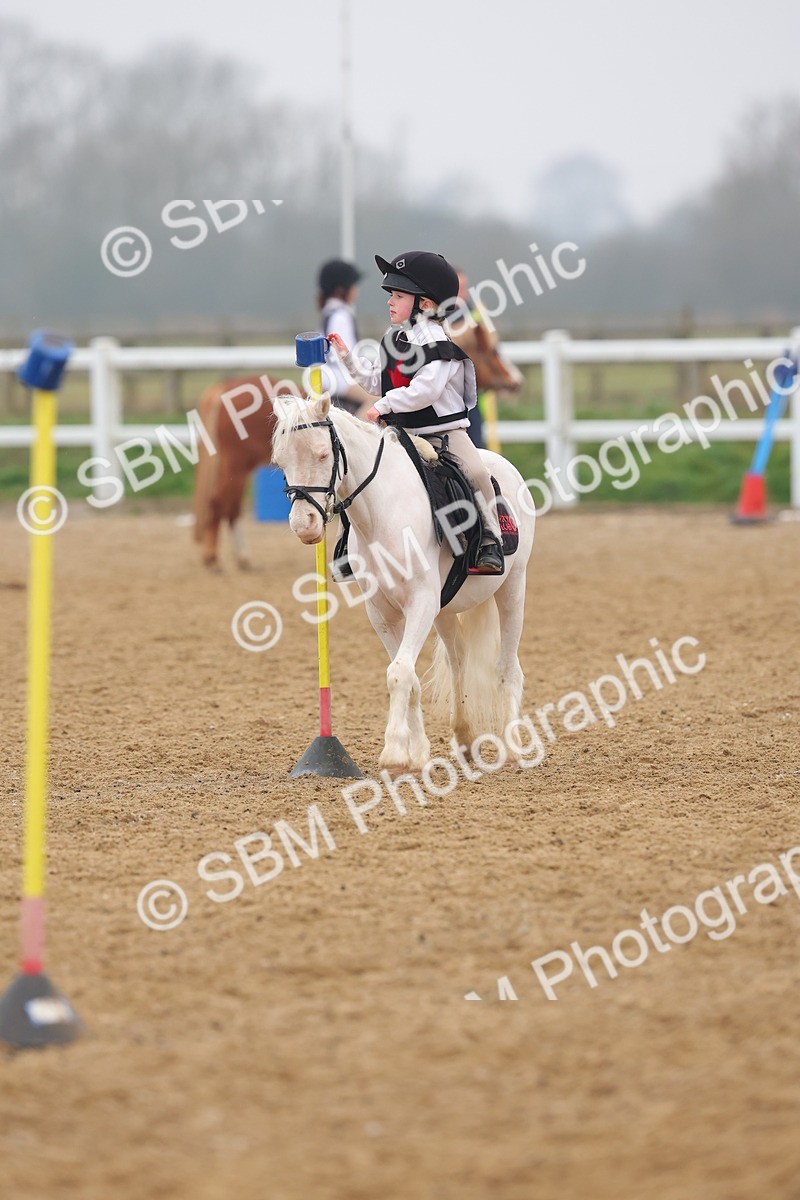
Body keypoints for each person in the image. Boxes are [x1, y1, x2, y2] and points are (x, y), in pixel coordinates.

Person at [328, 249, 504, 575]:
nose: (389, 301)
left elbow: (425, 391)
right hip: (403, 432)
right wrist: (346, 357)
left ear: (424, 303)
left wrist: (384, 406)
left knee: (477, 473)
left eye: (398, 295)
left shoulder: (438, 342)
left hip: (444, 434)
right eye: (390, 294)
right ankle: (348, 544)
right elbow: (377, 382)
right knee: (358, 473)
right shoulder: (395, 338)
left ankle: (489, 538)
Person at [317, 258, 363, 415]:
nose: (355, 290)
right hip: (339, 379)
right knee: (376, 399)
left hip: (326, 377)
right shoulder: (341, 315)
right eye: (352, 286)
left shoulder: (328, 311)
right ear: (340, 289)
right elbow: (346, 354)